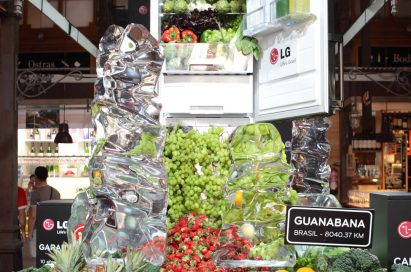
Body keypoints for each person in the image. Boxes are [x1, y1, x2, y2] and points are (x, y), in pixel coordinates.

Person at [28, 166, 61, 258]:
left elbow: (33, 216)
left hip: (38, 228)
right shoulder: (55, 192)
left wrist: (30, 232)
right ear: (47, 176)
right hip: (53, 228)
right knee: (50, 256)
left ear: (36, 177)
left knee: (35, 255)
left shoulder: (35, 194)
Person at [17, 185, 28, 270]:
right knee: (16, 257)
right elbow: (21, 214)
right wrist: (23, 232)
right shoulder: (19, 190)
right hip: (12, 227)